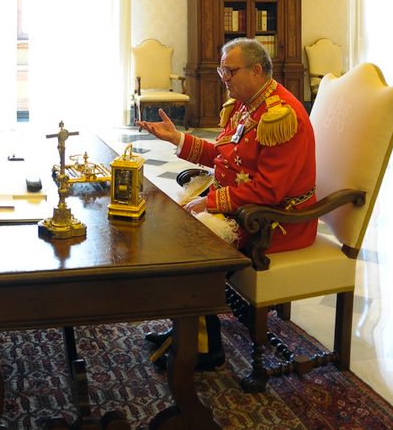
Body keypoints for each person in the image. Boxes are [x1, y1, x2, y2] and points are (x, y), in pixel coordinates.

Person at [136, 38, 318, 371]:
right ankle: (187, 325)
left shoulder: (281, 115)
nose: (224, 78)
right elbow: (223, 155)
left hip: (276, 222)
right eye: (222, 69)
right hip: (244, 205)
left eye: (230, 71)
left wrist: (210, 202)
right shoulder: (246, 104)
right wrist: (176, 138)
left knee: (191, 240)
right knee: (167, 219)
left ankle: (206, 345)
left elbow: (268, 192)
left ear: (257, 70)